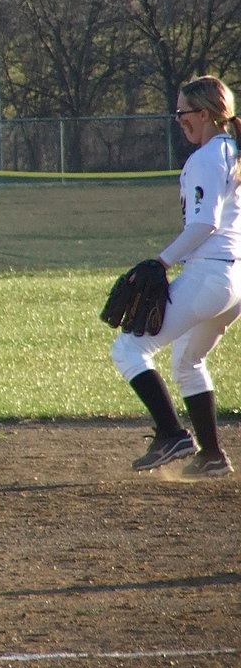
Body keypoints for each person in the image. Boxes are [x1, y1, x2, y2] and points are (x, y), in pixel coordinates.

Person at [111, 75, 241, 477]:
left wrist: (161, 262)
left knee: (129, 349)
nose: (178, 119)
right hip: (234, 281)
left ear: (204, 114)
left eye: (183, 112)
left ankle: (172, 434)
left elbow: (203, 225)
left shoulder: (205, 157)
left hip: (210, 275)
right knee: (188, 361)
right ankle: (212, 456)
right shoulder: (233, 152)